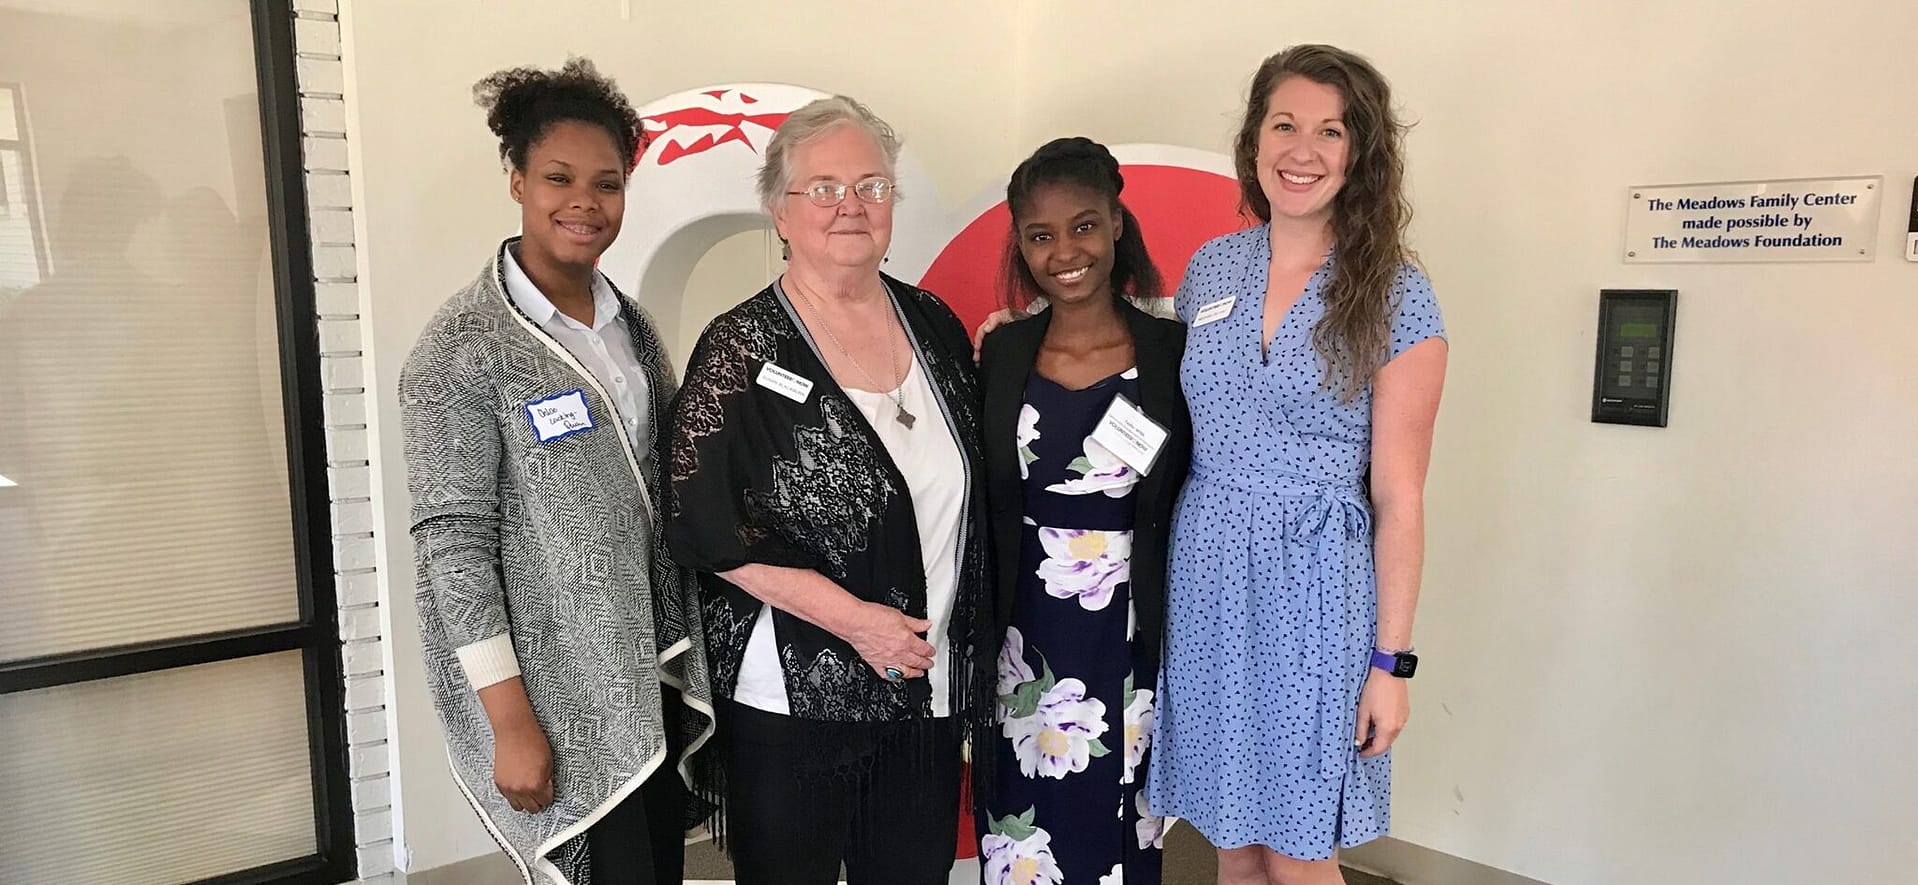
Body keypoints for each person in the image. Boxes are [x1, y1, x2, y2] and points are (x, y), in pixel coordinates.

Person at [399, 57, 713, 885]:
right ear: (516, 181)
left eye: (607, 183)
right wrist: (509, 722)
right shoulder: (459, 350)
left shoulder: (629, 326)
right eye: (559, 178)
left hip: (652, 669)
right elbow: (452, 546)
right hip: (559, 692)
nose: (585, 202)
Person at [664, 95, 992, 885]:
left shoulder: (935, 322)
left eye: (872, 186)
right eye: (823, 188)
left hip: (927, 686)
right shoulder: (739, 347)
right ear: (779, 211)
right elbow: (701, 524)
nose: (851, 205)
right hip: (793, 701)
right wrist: (858, 625)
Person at [1148, 45, 1449, 885]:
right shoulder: (1213, 267)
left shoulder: (1394, 290)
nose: (1302, 149)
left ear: (1361, 154)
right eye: (1284, 124)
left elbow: (1400, 495)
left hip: (1314, 589)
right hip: (1208, 580)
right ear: (1254, 141)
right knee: (1228, 842)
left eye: (1331, 130)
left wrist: (1392, 665)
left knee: (1298, 848)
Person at [973, 137, 1191, 885]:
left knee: (1119, 829)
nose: (1065, 250)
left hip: (1127, 629)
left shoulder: (1170, 352)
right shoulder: (1002, 354)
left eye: (1084, 225)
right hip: (1020, 634)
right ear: (1022, 245)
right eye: (1041, 235)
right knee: (1021, 826)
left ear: (1116, 225)